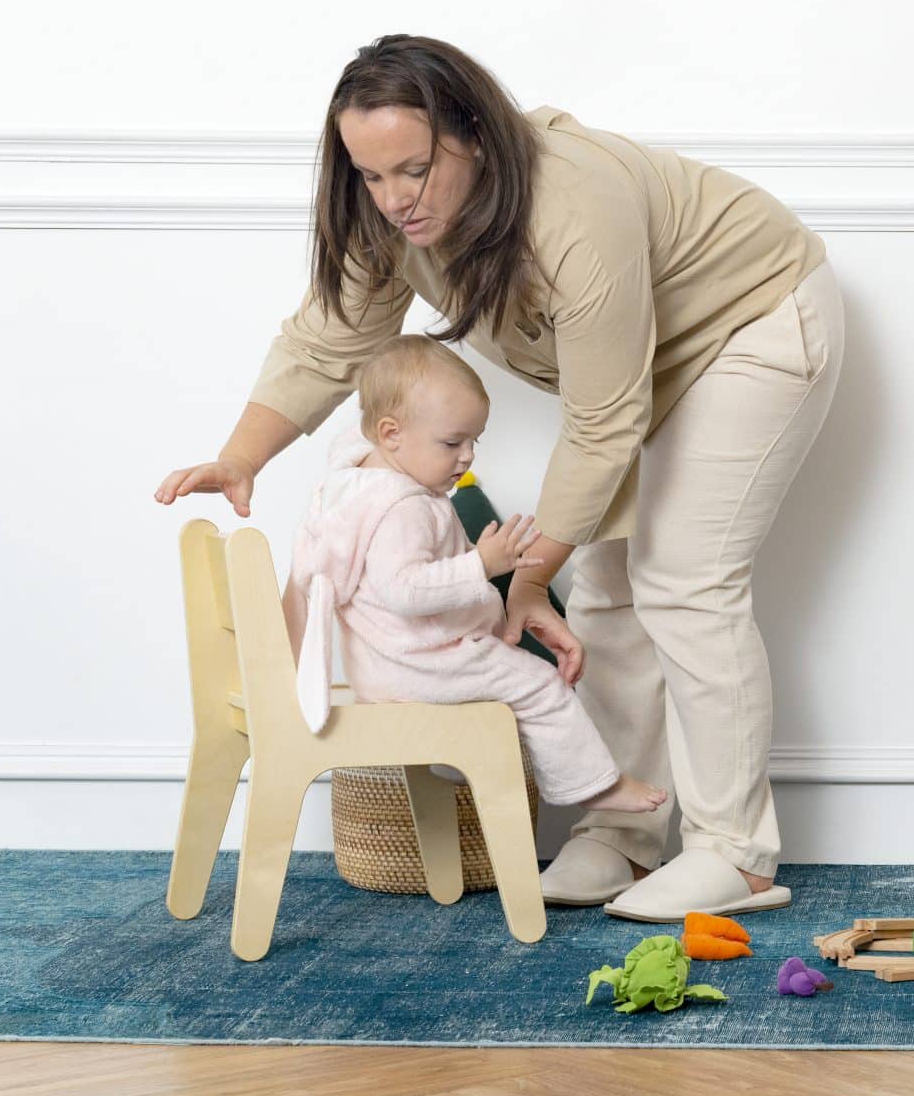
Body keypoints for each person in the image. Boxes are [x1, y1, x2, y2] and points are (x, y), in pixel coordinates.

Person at [155, 34, 844, 920]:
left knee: (684, 579)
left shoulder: (574, 207)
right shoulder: (390, 215)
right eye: (370, 175)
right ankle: (622, 832)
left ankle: (735, 855)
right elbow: (330, 339)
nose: (393, 199)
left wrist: (525, 579)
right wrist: (241, 455)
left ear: (474, 135)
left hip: (751, 321)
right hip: (641, 363)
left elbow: (602, 424)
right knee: (606, 589)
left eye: (414, 169)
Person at [285, 334, 666, 817]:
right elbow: (404, 590)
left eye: (474, 441)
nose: (467, 457)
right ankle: (593, 785)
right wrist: (481, 565)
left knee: (512, 675)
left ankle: (468, 760)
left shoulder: (357, 484)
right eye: (452, 443)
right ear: (390, 434)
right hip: (422, 665)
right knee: (538, 683)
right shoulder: (401, 508)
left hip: (388, 666)